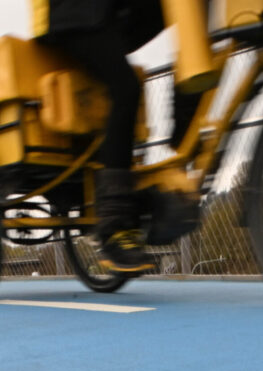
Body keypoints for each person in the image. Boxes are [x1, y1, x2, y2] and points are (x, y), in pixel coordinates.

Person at [33, 0, 193, 274]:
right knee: (125, 87)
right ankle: (113, 223)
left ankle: (186, 132)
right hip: (73, 16)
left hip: (108, 12)